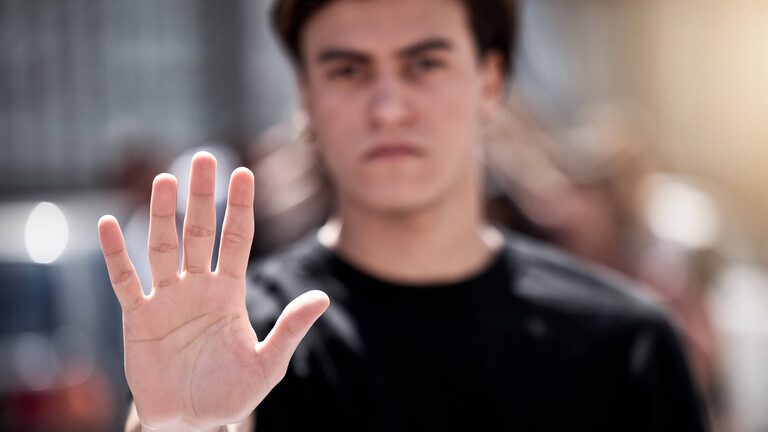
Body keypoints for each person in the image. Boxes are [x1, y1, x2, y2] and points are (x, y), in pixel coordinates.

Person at [97, 0, 708, 430]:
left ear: (491, 80)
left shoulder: (627, 343)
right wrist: (180, 427)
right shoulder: (247, 340)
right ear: (306, 96)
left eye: (425, 63)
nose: (388, 107)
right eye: (348, 70)